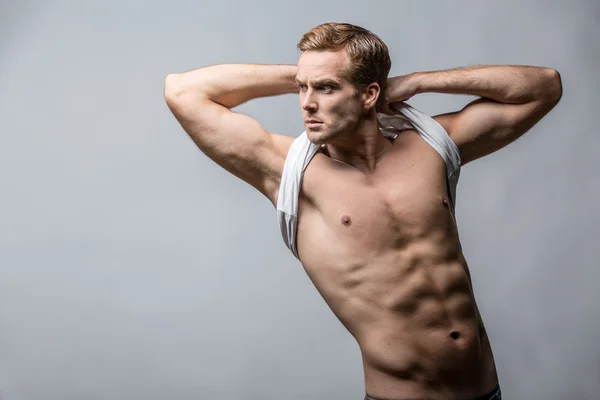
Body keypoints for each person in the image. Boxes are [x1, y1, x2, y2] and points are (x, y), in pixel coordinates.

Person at [164, 22, 561, 400]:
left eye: (325, 88)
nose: (307, 103)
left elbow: (544, 86)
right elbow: (182, 91)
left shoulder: (431, 147)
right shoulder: (289, 171)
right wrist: (310, 71)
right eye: (302, 88)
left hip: (486, 392)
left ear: (369, 94)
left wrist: (421, 81)